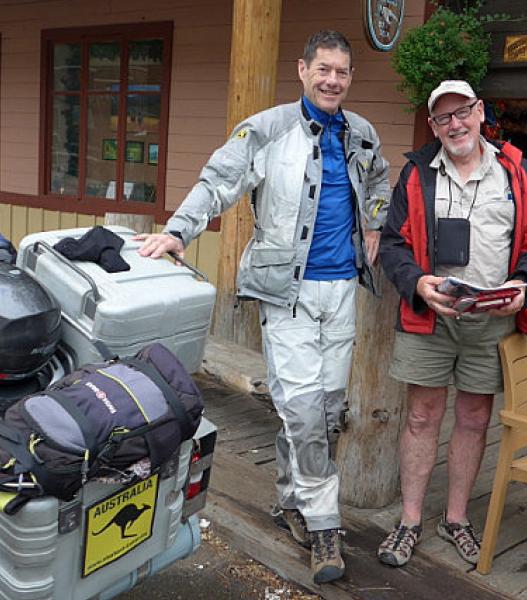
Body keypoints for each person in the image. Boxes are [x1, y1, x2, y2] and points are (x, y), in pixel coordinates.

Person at [136, 30, 390, 584]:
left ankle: (289, 502)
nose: (332, 80)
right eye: (323, 69)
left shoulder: (362, 133)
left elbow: (377, 183)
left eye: (342, 72)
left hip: (342, 291)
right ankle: (325, 527)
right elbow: (218, 181)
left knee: (322, 414)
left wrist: (374, 223)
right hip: (286, 293)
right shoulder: (267, 129)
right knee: (301, 410)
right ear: (302, 70)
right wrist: (180, 231)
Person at [377, 80, 527, 567]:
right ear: (433, 126)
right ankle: (410, 520)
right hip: (429, 317)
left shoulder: (518, 172)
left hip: (492, 317)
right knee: (420, 417)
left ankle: (455, 518)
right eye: (443, 118)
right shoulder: (416, 174)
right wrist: (416, 282)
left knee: (475, 419)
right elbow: (392, 244)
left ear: (480, 113)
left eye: (462, 113)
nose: (454, 124)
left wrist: (523, 285)